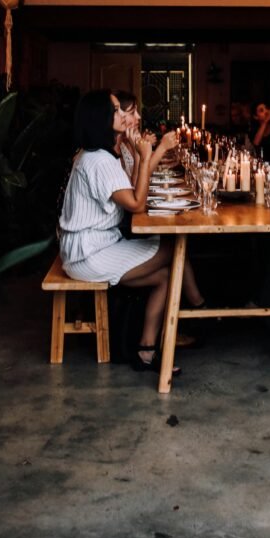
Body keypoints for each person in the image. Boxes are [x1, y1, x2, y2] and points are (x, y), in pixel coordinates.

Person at [58, 89, 205, 373]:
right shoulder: (99, 160)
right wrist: (148, 152)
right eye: (116, 110)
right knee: (176, 247)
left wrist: (140, 158)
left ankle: (146, 350)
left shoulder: (99, 156)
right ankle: (201, 310)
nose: (124, 115)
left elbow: (129, 189)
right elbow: (137, 205)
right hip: (88, 254)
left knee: (164, 275)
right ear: (100, 117)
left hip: (92, 245)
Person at [114, 89, 177, 183]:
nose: (138, 117)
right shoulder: (114, 148)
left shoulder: (126, 142)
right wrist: (162, 147)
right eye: (132, 113)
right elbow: (137, 185)